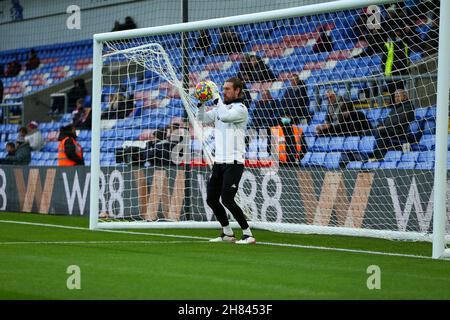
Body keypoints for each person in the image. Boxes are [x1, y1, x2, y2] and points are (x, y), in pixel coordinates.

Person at [197, 77, 255, 244]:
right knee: (211, 199)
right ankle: (228, 233)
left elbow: (226, 117)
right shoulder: (220, 108)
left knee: (227, 199)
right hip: (219, 161)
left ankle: (248, 233)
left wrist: (216, 99)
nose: (224, 91)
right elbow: (201, 118)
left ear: (237, 91)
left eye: (228, 89)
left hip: (234, 161)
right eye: (223, 89)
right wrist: (201, 104)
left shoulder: (241, 109)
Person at [366, 89, 415, 160]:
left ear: (405, 97)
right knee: (367, 132)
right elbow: (386, 119)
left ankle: (380, 157)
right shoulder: (395, 107)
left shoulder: (408, 106)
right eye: (395, 97)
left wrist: (384, 127)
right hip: (389, 129)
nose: (397, 98)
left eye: (398, 96)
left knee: (380, 131)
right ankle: (367, 156)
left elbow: (400, 120)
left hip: (399, 131)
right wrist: (379, 126)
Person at [383, 28, 409, 103]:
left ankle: (400, 108)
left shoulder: (404, 44)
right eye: (396, 31)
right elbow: (384, 60)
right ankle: (394, 109)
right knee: (393, 95)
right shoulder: (388, 45)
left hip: (401, 73)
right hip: (391, 74)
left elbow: (406, 58)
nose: (397, 33)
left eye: (398, 31)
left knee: (400, 94)